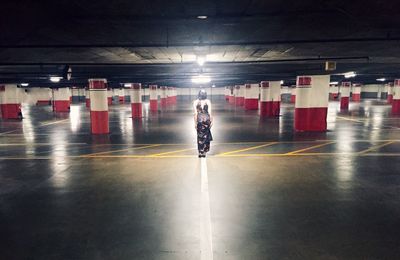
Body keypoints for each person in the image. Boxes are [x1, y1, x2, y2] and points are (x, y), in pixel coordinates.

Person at [193, 89, 213, 158]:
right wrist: (212, 121)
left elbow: (195, 114)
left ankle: (200, 152)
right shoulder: (208, 101)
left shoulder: (195, 102)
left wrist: (195, 123)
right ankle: (204, 152)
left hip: (199, 120)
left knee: (199, 137)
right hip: (207, 120)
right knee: (206, 135)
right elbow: (210, 112)